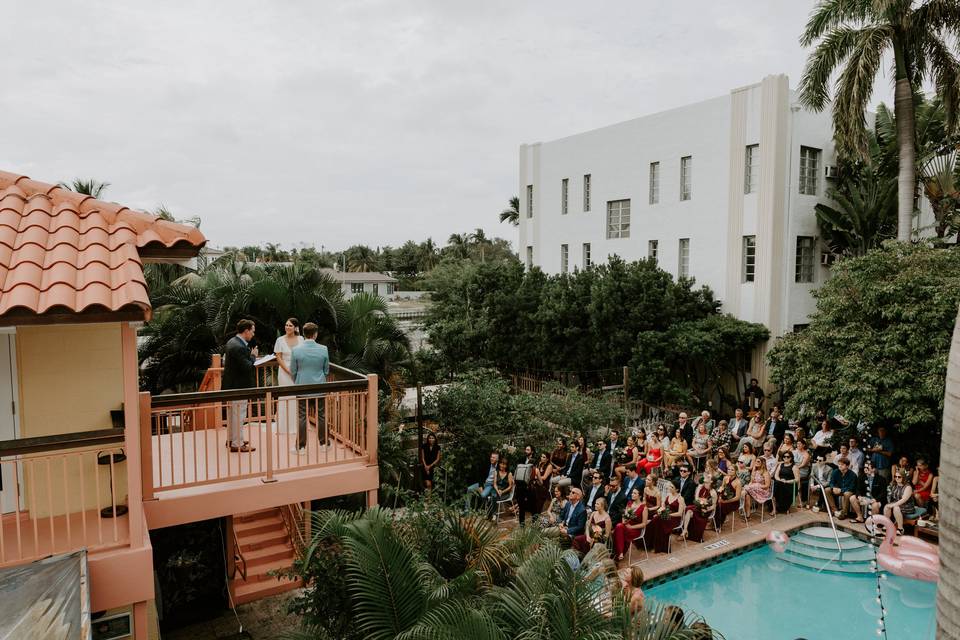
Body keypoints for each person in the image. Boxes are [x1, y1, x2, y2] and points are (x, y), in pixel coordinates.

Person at [290, 322, 330, 454]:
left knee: (302, 416)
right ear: (315, 334)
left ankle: (301, 447)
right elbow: (326, 370)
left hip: (302, 387)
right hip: (319, 387)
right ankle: (324, 444)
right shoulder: (324, 349)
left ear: (303, 333)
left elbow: (293, 371)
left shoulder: (296, 350)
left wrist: (298, 381)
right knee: (322, 416)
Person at [222, 319, 258, 453]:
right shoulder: (239, 347)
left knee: (233, 414)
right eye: (252, 331)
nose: (253, 334)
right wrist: (253, 356)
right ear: (247, 331)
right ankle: (238, 443)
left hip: (232, 385)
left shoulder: (232, 342)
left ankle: (232, 439)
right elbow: (247, 367)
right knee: (239, 415)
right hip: (239, 386)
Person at [272, 318, 304, 433]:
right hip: (284, 371)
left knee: (296, 396)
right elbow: (278, 357)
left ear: (295, 327)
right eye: (286, 325)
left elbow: (303, 354)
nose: (287, 327)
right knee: (285, 396)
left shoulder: (301, 339)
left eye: (290, 325)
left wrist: (298, 369)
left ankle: (296, 425)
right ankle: (283, 426)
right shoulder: (280, 340)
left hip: (298, 370)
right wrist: (289, 371)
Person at [647, 482, 684, 553]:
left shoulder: (680, 499)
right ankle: (651, 543)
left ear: (677, 489)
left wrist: (669, 515)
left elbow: (680, 513)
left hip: (675, 518)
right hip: (665, 516)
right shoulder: (668, 496)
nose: (670, 488)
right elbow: (663, 506)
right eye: (670, 486)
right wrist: (660, 510)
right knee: (657, 520)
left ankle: (658, 547)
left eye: (672, 487)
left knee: (657, 521)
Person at [613, 488, 649, 561]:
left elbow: (644, 524)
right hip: (626, 526)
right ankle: (620, 553)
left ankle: (619, 553)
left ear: (640, 496)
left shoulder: (644, 508)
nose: (632, 494)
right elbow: (624, 515)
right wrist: (624, 521)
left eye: (635, 493)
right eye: (632, 493)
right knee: (619, 526)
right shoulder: (629, 503)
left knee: (618, 528)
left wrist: (631, 527)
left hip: (636, 530)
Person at [681, 476, 717, 542]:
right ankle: (685, 530)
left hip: (705, 510)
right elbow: (696, 499)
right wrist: (698, 489)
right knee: (687, 510)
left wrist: (707, 509)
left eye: (708, 477)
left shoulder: (713, 492)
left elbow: (714, 506)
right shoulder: (701, 486)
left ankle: (685, 531)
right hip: (698, 507)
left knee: (689, 511)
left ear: (711, 481)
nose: (706, 476)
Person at [884, 470, 921, 534]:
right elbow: (890, 495)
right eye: (895, 476)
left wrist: (893, 505)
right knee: (886, 506)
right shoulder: (894, 485)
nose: (897, 478)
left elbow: (904, 499)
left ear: (903, 477)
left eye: (899, 477)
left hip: (907, 506)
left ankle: (900, 529)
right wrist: (890, 504)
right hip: (897, 503)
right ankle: (887, 525)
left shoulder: (908, 487)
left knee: (896, 508)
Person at [714, 463, 742, 529]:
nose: (729, 471)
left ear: (736, 471)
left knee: (720, 506)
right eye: (729, 469)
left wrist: (725, 501)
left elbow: (737, 497)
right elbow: (722, 487)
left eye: (732, 470)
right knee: (714, 502)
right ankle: (712, 522)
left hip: (733, 502)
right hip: (724, 497)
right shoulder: (725, 478)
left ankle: (718, 525)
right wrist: (720, 494)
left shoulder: (738, 483)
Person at [514, 445, 537, 525]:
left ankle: (534, 525)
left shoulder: (534, 461)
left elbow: (535, 472)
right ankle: (522, 525)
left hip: (530, 487)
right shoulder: (522, 459)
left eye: (528, 450)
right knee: (521, 507)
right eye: (526, 449)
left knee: (533, 507)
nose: (526, 451)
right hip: (521, 486)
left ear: (532, 451)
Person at [531, 452, 555, 516]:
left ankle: (537, 511)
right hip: (537, 483)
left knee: (537, 492)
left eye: (544, 457)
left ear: (547, 459)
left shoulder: (549, 466)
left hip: (544, 485)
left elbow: (544, 477)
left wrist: (536, 477)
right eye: (541, 456)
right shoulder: (539, 464)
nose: (542, 458)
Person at [794, 439, 812, 503]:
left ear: (804, 445)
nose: (798, 445)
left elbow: (802, 465)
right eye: (797, 444)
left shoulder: (806, 454)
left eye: (800, 444)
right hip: (794, 469)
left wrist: (794, 467)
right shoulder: (794, 452)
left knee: (792, 475)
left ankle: (802, 499)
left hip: (802, 471)